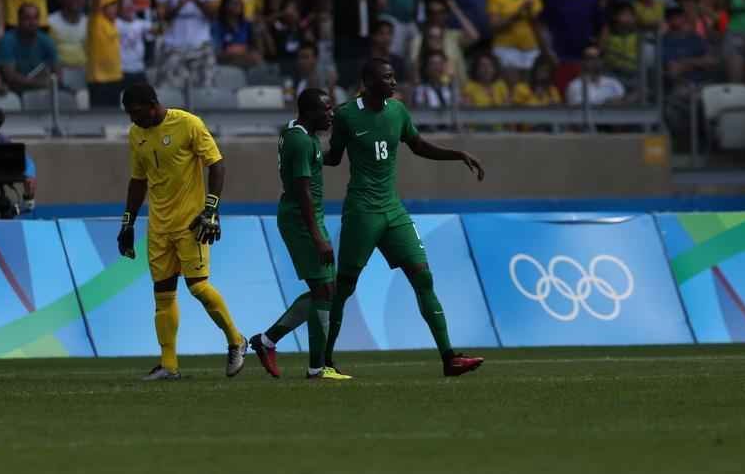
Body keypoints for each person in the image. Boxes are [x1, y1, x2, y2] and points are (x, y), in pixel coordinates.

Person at [321, 58, 486, 377]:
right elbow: (334, 157)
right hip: (362, 211)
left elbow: (418, 145)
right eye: (387, 78)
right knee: (344, 287)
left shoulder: (397, 111)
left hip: (393, 210)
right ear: (368, 82)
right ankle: (324, 361)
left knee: (422, 275)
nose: (394, 82)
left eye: (394, 77)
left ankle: (449, 357)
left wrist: (458, 154)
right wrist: (306, 154)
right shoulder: (346, 114)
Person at [116, 82, 248, 381]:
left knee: (198, 287)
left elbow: (216, 164)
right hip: (159, 225)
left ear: (153, 104)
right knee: (162, 294)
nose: (132, 119)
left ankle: (236, 340)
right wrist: (128, 222)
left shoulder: (188, 124)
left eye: (136, 112)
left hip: (191, 222)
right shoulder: (136, 134)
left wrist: (211, 209)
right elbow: (138, 181)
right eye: (128, 114)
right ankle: (169, 365)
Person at [248, 88, 351, 380]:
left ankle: (267, 342)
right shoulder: (301, 142)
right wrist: (317, 236)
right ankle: (316, 367)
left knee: (326, 290)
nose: (330, 114)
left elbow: (325, 160)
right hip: (301, 220)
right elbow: (303, 191)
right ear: (308, 113)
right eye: (326, 110)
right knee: (324, 290)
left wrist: (344, 139)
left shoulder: (300, 133)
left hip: (308, 217)